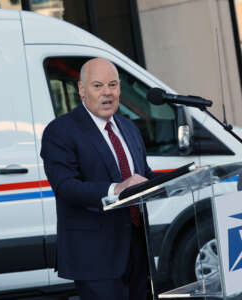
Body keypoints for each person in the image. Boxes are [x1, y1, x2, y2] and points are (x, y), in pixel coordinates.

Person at [40, 58, 156, 300]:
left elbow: (143, 174)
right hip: (95, 255)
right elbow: (66, 187)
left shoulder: (129, 128)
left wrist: (180, 179)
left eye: (113, 85)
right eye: (98, 85)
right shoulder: (60, 131)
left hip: (137, 247)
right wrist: (117, 189)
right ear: (82, 90)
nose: (107, 92)